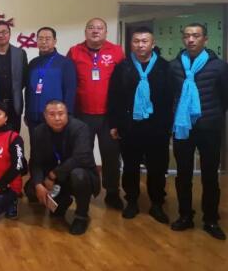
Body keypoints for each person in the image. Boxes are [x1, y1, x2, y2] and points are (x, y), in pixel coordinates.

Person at [169, 23, 228, 240]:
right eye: (187, 36)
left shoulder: (219, 67)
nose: (191, 39)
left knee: (210, 175)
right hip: (183, 127)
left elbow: (225, 97)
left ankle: (210, 219)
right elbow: (170, 95)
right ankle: (185, 216)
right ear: (183, 39)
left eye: (196, 35)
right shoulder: (174, 66)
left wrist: (213, 115)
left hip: (209, 128)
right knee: (183, 175)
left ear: (205, 39)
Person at [107, 27, 172, 223]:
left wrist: (167, 126)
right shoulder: (123, 67)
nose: (140, 45)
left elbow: (170, 99)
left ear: (152, 44)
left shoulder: (164, 67)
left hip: (157, 127)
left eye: (145, 41)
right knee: (130, 166)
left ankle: (157, 203)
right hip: (130, 126)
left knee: (157, 167)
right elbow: (114, 97)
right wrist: (114, 124)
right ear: (131, 44)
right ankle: (132, 201)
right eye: (136, 41)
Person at [67, 17, 125, 210]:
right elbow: (68, 81)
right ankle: (85, 191)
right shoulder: (74, 51)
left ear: (105, 32)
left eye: (99, 28)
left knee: (111, 155)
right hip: (82, 114)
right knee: (82, 155)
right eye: (91, 27)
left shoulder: (116, 51)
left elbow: (124, 83)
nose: (95, 31)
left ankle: (112, 192)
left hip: (109, 116)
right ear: (85, 32)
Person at [28, 100, 101, 235]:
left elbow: (80, 158)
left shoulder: (80, 128)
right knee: (31, 190)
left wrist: (52, 175)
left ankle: (81, 216)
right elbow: (35, 161)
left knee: (78, 175)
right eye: (52, 114)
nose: (57, 118)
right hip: (57, 177)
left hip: (79, 175)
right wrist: (38, 184)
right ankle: (63, 200)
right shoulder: (39, 132)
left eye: (61, 114)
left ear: (67, 114)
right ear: (45, 116)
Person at [25, 26, 76, 139]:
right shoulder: (33, 63)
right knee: (36, 148)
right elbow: (28, 90)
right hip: (34, 117)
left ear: (55, 41)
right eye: (40, 39)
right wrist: (27, 113)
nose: (44, 42)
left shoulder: (65, 63)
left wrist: (67, 115)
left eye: (47, 39)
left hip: (56, 118)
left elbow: (70, 91)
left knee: (55, 148)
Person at [0, 20, 28, 132]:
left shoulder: (20, 54)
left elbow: (24, 78)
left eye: (4, 32)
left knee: (13, 136)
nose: (1, 35)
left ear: (10, 33)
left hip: (14, 104)